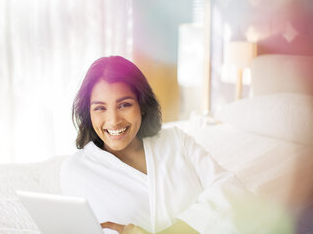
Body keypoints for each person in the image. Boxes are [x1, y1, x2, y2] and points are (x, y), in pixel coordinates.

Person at [61, 56, 254, 234]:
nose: (113, 121)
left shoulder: (176, 141)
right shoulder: (76, 171)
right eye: (100, 108)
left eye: (124, 105)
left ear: (142, 106)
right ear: (88, 112)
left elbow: (233, 191)